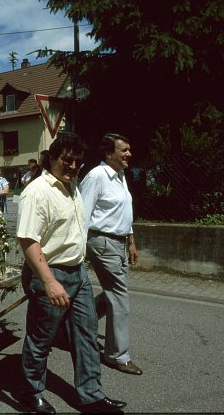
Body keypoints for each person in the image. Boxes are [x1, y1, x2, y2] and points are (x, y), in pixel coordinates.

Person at [16, 135, 126, 414]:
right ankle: (30, 393)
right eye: (67, 159)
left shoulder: (72, 185)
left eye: (78, 162)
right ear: (52, 157)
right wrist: (49, 281)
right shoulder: (37, 191)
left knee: (86, 336)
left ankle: (91, 395)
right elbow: (28, 241)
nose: (73, 166)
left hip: (78, 272)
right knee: (41, 339)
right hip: (50, 273)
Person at [80, 133, 141, 376]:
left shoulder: (120, 175)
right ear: (108, 154)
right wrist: (78, 249)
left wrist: (131, 241)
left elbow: (124, 211)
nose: (129, 154)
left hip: (120, 242)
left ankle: (78, 323)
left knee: (114, 292)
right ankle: (117, 355)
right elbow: (82, 215)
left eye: (129, 149)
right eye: (123, 150)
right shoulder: (97, 176)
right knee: (119, 295)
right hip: (102, 242)